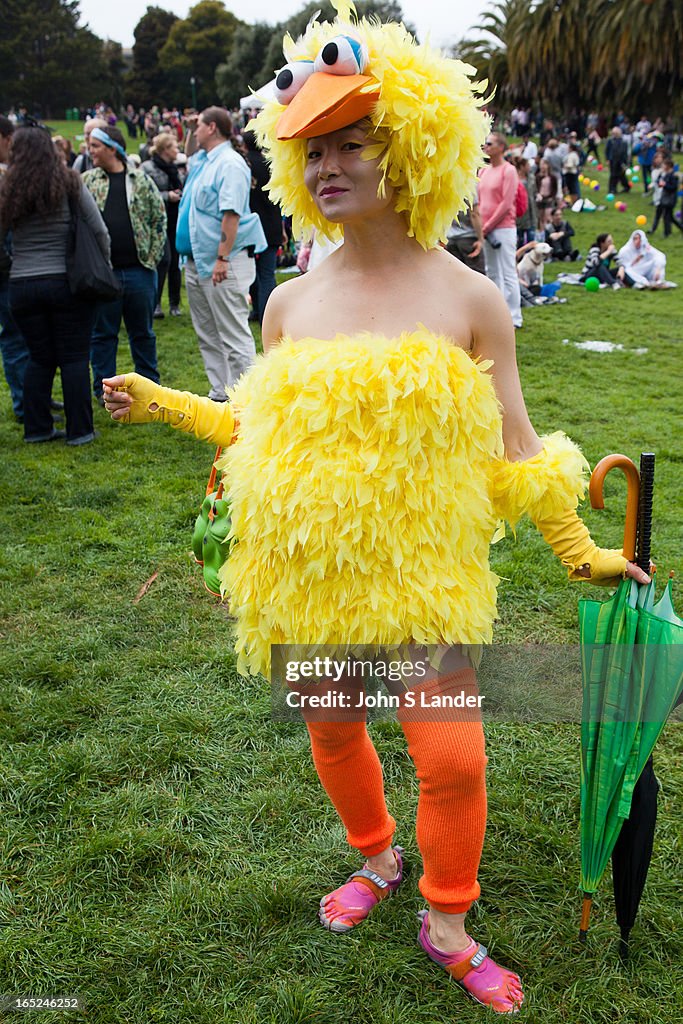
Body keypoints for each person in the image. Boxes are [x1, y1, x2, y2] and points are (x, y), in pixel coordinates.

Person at [101, 3, 648, 1015]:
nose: (326, 167)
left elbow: (515, 451)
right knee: (331, 728)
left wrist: (578, 553)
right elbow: (257, 431)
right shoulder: (287, 301)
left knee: (449, 757)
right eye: (313, 150)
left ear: (409, 150)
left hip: (420, 585)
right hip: (309, 584)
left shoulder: (470, 300)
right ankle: (378, 857)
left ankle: (447, 915)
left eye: (350, 142)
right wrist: (162, 400)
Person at [0, 126, 110, 444]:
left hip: (22, 285)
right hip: (65, 282)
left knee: (39, 357)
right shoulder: (68, 181)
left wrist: (11, 265)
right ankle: (80, 430)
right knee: (75, 357)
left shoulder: (9, 187)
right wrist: (104, 264)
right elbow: (99, 229)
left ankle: (37, 428)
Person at [175, 106, 266, 401]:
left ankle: (246, 399)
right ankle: (220, 393)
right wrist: (189, 129)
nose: (194, 128)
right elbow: (189, 155)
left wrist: (222, 258)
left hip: (223, 261)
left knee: (232, 332)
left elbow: (231, 213)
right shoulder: (204, 160)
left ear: (212, 127)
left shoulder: (229, 163)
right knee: (208, 333)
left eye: (199, 124)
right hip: (198, 262)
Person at [83, 126, 166, 403]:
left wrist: (151, 259)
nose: (89, 150)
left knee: (142, 333)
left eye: (94, 145)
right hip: (103, 275)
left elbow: (159, 219)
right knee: (103, 335)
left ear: (111, 148)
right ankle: (104, 390)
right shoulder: (87, 181)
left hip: (138, 271)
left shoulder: (140, 180)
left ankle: (150, 387)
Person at [0, 115, 30, 422]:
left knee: (28, 339)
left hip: (16, 270)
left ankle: (35, 399)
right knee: (14, 338)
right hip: (7, 273)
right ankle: (24, 404)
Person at [479, 133, 523, 328]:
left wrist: (487, 227)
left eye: (490, 143)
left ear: (501, 147)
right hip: (486, 229)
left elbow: (506, 203)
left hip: (503, 228)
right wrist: (482, 228)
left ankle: (514, 317)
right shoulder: (483, 171)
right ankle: (497, 315)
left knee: (508, 272)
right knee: (492, 272)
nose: (486, 146)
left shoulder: (509, 170)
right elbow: (479, 202)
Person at [242, 126, 284, 324]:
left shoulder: (243, 165)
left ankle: (258, 310)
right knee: (267, 273)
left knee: (254, 271)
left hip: (251, 224)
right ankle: (265, 312)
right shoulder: (270, 164)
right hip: (271, 221)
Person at [141, 132, 184, 318]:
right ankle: (155, 302)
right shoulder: (147, 168)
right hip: (158, 222)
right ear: (165, 149)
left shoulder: (175, 168)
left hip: (175, 220)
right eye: (174, 146)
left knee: (175, 263)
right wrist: (168, 196)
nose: (177, 150)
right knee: (162, 261)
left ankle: (174, 303)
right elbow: (144, 194)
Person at [655, 157, 683, 238]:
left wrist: (665, 185)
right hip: (666, 198)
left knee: (666, 216)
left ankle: (667, 233)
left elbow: (673, 187)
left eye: (664, 165)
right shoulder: (666, 174)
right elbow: (659, 181)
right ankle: (679, 228)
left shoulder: (674, 175)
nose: (662, 167)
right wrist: (660, 182)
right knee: (670, 217)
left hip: (671, 199)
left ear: (668, 166)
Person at [605, 127, 631, 195]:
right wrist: (607, 159)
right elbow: (607, 150)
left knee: (621, 175)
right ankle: (612, 189)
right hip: (613, 160)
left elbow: (625, 153)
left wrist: (626, 163)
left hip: (621, 160)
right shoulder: (610, 140)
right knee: (613, 175)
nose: (615, 134)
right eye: (614, 133)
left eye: (616, 133)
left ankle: (626, 187)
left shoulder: (623, 141)